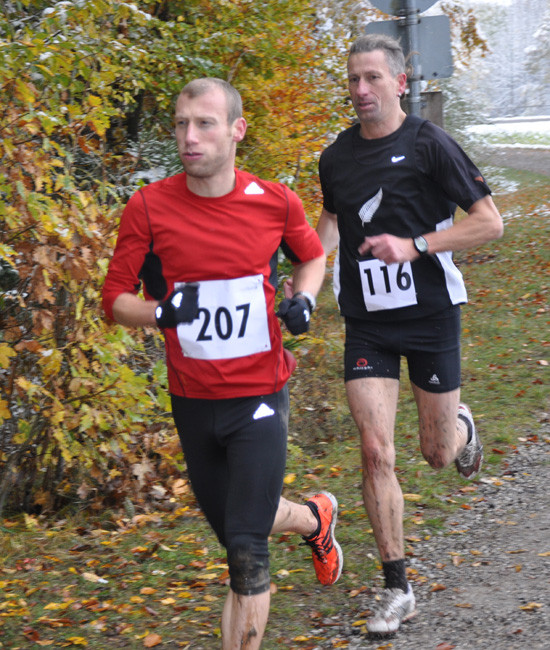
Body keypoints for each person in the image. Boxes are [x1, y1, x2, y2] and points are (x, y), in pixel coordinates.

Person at [102, 77, 343, 650]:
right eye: (182, 124)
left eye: (204, 123)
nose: (190, 136)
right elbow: (114, 300)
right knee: (240, 526)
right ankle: (314, 518)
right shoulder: (148, 207)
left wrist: (305, 299)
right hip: (192, 400)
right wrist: (161, 313)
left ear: (236, 131)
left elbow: (312, 258)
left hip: (260, 393)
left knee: (245, 547)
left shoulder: (275, 201)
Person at [315, 34, 503, 636]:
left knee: (437, 453)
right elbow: (332, 220)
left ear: (400, 83)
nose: (361, 90)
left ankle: (461, 425)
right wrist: (306, 277)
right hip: (367, 322)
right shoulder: (337, 156)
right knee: (375, 449)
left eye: (372, 78)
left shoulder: (430, 144)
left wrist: (416, 245)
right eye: (353, 80)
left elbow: (489, 223)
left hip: (429, 316)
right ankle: (397, 588)